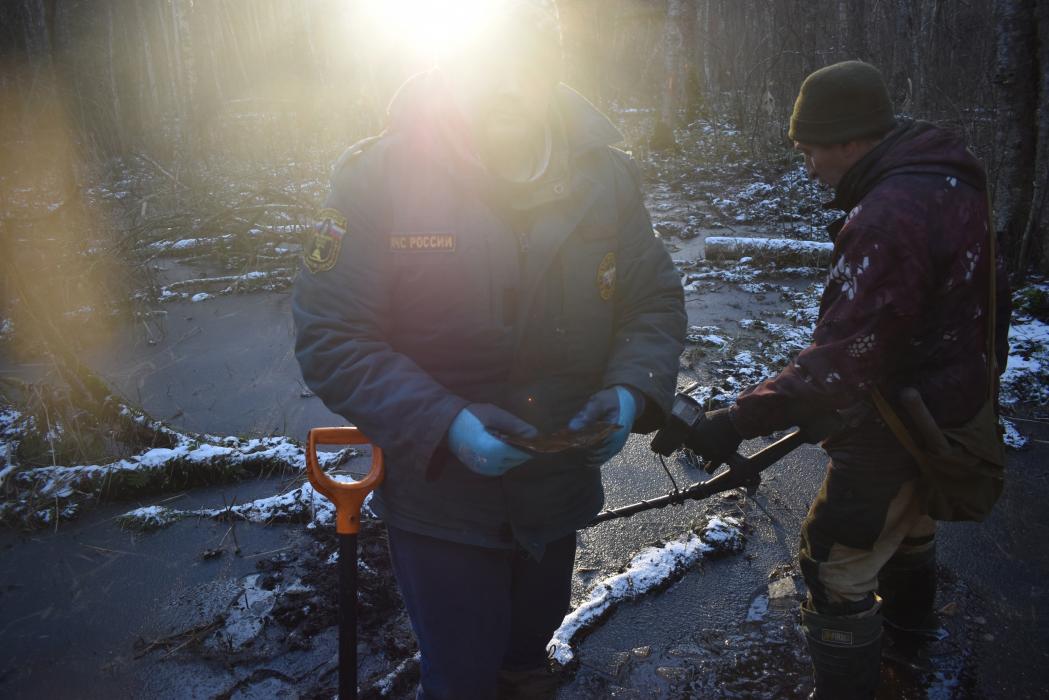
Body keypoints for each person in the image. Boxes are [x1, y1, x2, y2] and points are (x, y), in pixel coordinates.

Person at [291, 1, 686, 697]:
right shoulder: (377, 178)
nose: (505, 88)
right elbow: (331, 336)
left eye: (525, 68)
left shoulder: (606, 178)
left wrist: (633, 390)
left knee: (528, 650)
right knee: (462, 673)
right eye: (485, 69)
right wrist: (446, 424)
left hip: (559, 484)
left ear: (554, 72)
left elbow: (651, 301)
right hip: (440, 497)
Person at [683, 61, 1011, 698]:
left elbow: (841, 361)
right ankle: (911, 649)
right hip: (948, 404)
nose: (808, 167)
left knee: (834, 561)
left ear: (850, 141)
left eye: (810, 151)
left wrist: (734, 422)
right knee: (909, 523)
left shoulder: (890, 216)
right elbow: (994, 291)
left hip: (896, 421)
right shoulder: (949, 177)